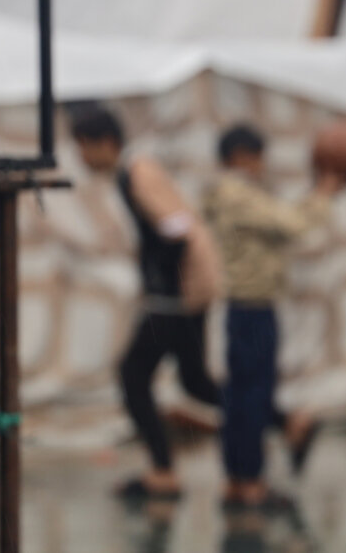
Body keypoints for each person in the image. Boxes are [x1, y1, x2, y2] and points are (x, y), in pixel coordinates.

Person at [70, 104, 224, 501]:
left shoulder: (136, 174)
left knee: (134, 375)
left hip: (175, 299)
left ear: (105, 143)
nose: (82, 157)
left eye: (84, 146)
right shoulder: (132, 173)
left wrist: (165, 293)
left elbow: (175, 228)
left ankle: (163, 470)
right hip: (180, 296)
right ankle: (282, 418)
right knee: (196, 382)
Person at [203, 125, 345, 510]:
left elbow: (282, 220)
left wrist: (316, 197)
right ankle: (250, 480)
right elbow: (291, 223)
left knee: (242, 396)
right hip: (251, 308)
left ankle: (239, 477)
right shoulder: (235, 193)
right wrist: (325, 194)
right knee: (250, 396)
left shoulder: (233, 194)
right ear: (243, 156)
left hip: (247, 308)